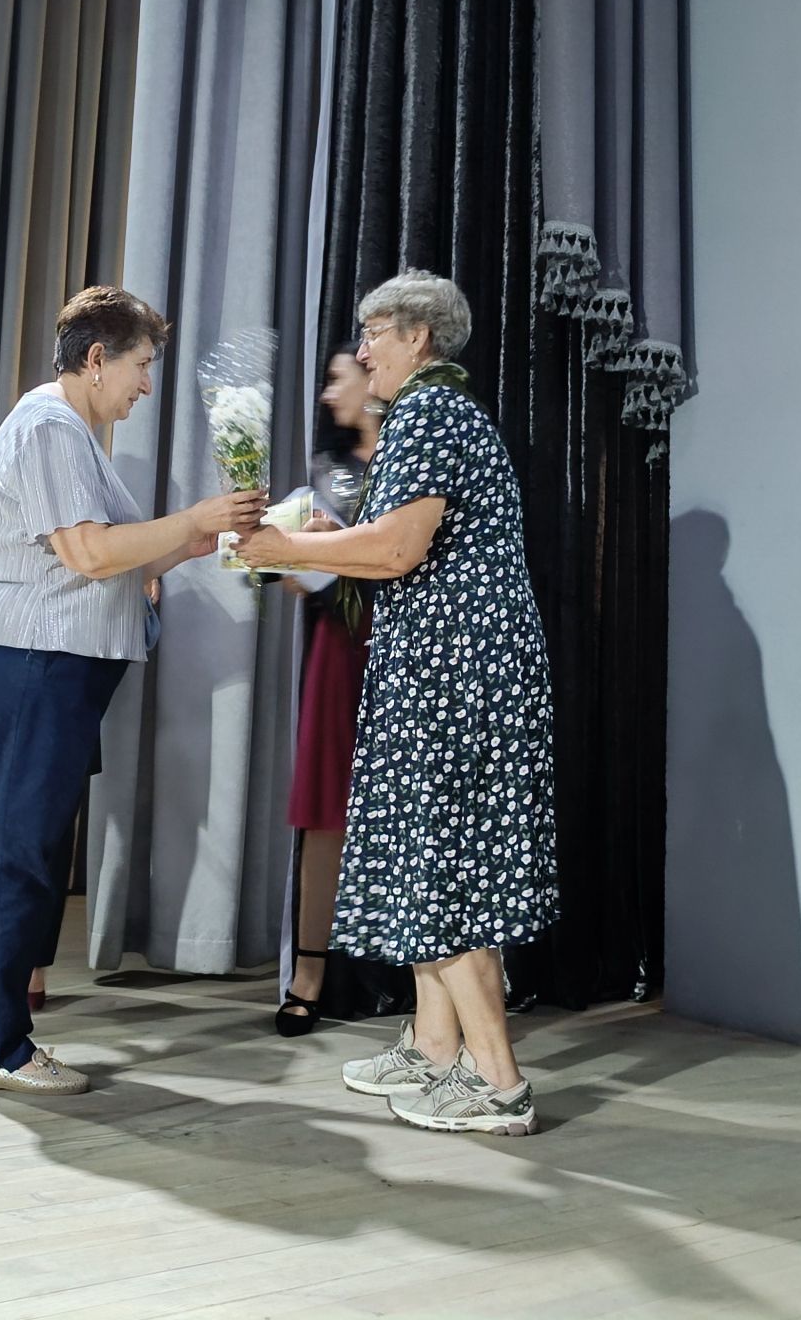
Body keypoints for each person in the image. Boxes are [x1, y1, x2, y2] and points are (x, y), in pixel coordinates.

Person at [0, 285, 264, 1095]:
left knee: (1, 847)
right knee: (18, 859)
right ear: (97, 359)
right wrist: (194, 517)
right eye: (141, 365)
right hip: (34, 663)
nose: (147, 385)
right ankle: (1, 1049)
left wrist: (197, 540)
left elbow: (116, 557)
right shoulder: (51, 428)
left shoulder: (70, 435)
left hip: (44, 664)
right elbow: (90, 555)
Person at [233, 270, 558, 1135]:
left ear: (418, 337)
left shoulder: (429, 413)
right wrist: (325, 542)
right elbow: (399, 544)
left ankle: (499, 1084)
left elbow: (398, 550)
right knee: (427, 857)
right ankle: (435, 1047)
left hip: (457, 672)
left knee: (445, 867)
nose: (363, 349)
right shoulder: (434, 412)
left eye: (374, 332)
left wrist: (286, 546)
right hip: (445, 667)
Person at [0, 526, 158, 1012]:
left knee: (34, 845)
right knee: (1, 845)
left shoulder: (99, 517)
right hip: (11, 680)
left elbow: (137, 625)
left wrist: (134, 586)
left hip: (64, 689)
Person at [274, 342, 396, 1036]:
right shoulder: (328, 473)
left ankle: (426, 975)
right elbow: (296, 575)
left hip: (406, 644)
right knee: (326, 811)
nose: (327, 394)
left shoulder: (414, 459)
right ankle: (309, 974)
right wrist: (292, 555)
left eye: (337, 379)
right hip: (339, 646)